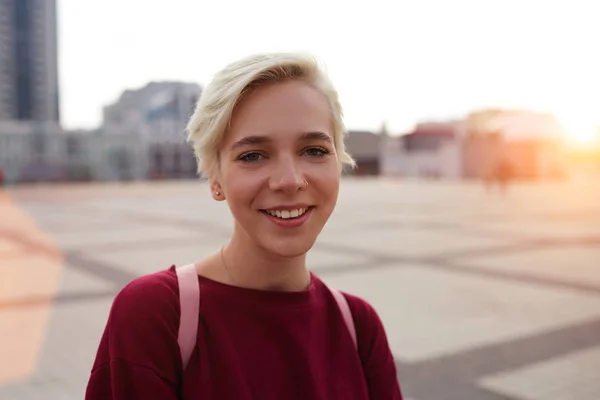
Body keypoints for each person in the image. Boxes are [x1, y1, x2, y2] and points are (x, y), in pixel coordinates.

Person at [85, 52, 403, 399]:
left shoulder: (359, 326)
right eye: (253, 155)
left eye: (314, 150)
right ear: (215, 176)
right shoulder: (157, 314)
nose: (289, 180)